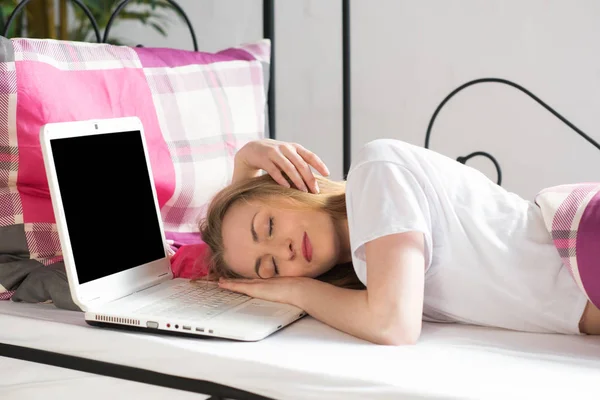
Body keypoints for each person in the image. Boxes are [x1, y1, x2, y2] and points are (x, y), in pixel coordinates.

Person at [198, 138, 600, 345]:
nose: (282, 251)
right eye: (269, 269)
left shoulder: (375, 173)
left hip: (586, 244)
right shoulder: (370, 273)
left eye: (268, 226)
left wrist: (296, 288)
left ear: (287, 186)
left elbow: (393, 324)